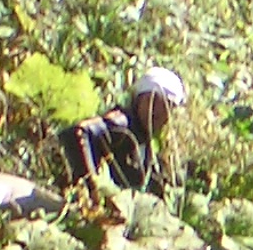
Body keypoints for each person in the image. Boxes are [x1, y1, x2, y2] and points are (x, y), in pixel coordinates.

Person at [60, 66, 186, 194]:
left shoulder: (144, 142)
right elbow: (79, 133)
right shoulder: (122, 125)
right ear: (139, 99)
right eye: (152, 101)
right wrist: (91, 187)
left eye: (165, 106)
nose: (157, 111)